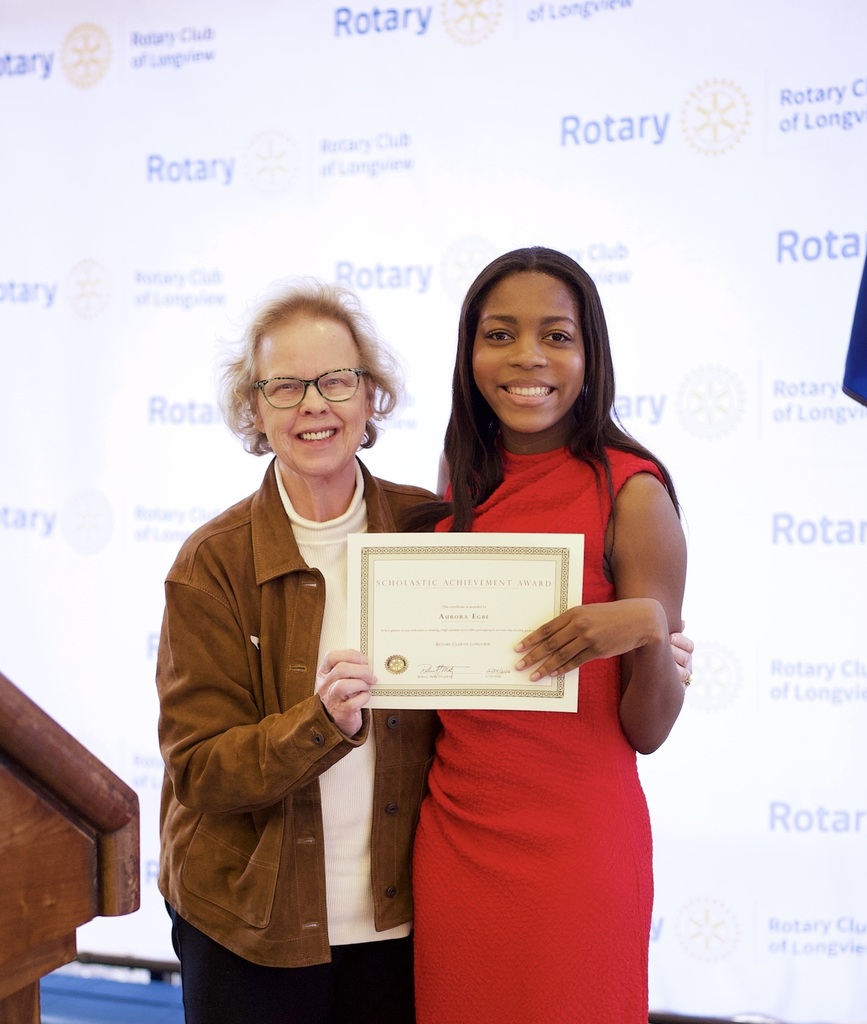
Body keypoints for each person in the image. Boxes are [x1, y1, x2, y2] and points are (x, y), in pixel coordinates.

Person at [410, 246, 689, 1023]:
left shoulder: (633, 492)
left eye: (557, 336)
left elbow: (650, 728)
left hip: (577, 849)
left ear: (590, 353)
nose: (527, 357)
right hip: (455, 839)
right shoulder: (460, 474)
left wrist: (648, 627)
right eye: (499, 334)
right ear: (469, 354)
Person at [155, 278, 439, 1024]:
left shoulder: (433, 530)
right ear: (254, 409)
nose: (314, 404)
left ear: (370, 397)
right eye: (285, 387)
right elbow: (200, 769)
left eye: (336, 381)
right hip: (250, 927)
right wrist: (321, 723)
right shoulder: (212, 562)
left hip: (405, 924)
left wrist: (632, 643)